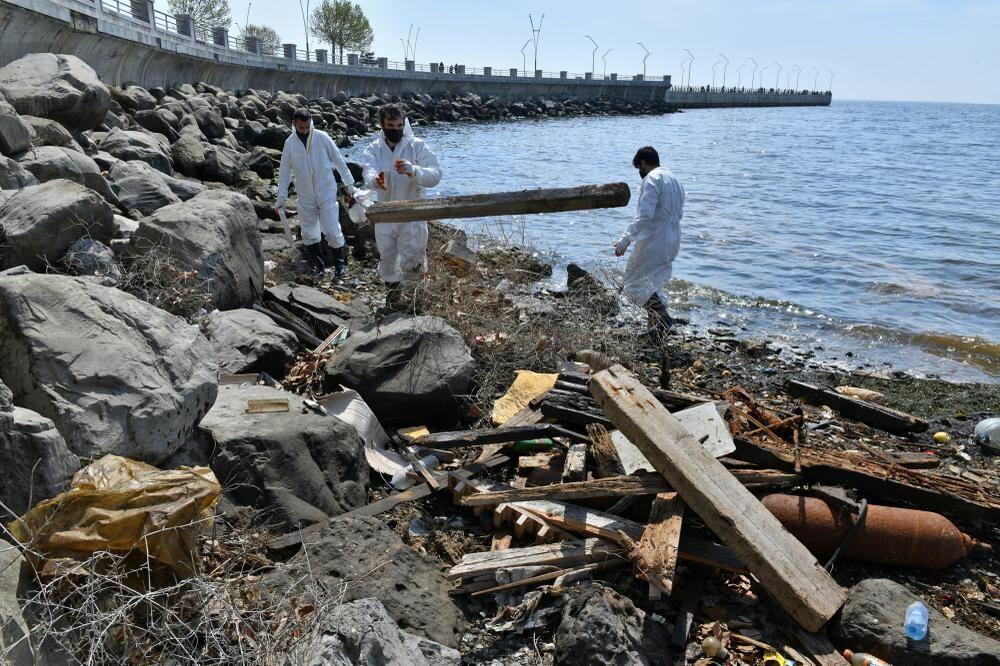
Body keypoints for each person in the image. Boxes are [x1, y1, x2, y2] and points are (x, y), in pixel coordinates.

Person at [361, 103, 442, 307]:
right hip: (385, 214)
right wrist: (375, 181)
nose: (395, 129)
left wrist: (414, 171)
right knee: (387, 258)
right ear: (382, 125)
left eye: (399, 125)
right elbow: (368, 171)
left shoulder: (417, 146)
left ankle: (416, 302)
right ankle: (392, 299)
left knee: (414, 258)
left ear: (404, 124)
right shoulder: (374, 148)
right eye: (390, 125)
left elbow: (436, 175)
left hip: (411, 214)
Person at [614, 146, 684, 342]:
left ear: (644, 163)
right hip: (673, 238)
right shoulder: (674, 179)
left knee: (634, 282)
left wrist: (625, 239)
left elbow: (644, 215)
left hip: (655, 239)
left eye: (639, 168)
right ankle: (656, 331)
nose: (640, 172)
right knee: (655, 284)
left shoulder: (651, 179)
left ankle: (664, 321)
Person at [275, 108, 355, 277]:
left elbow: (338, 160)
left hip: (326, 191)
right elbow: (284, 172)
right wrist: (281, 198)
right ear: (294, 123)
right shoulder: (290, 143)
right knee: (309, 233)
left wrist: (350, 185)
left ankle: (340, 265)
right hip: (304, 195)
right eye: (301, 127)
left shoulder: (322, 137)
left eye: (307, 126)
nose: (305, 130)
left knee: (332, 229)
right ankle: (319, 267)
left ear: (311, 122)